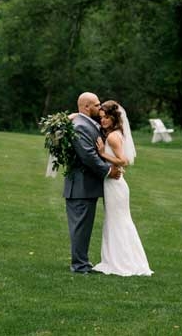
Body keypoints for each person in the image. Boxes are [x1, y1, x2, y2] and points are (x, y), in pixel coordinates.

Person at [63, 92, 122, 274]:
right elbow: (88, 156)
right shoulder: (81, 126)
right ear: (86, 107)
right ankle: (80, 265)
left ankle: (83, 262)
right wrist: (108, 171)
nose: (100, 107)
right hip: (80, 187)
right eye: (96, 105)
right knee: (80, 228)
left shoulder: (83, 122)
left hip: (86, 187)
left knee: (84, 227)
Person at [93, 100, 153, 276]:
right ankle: (122, 259)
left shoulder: (112, 136)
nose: (103, 121)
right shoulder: (116, 133)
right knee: (117, 221)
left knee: (117, 221)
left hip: (115, 185)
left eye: (107, 117)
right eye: (101, 117)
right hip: (114, 183)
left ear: (114, 117)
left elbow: (123, 160)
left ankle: (122, 262)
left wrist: (103, 154)